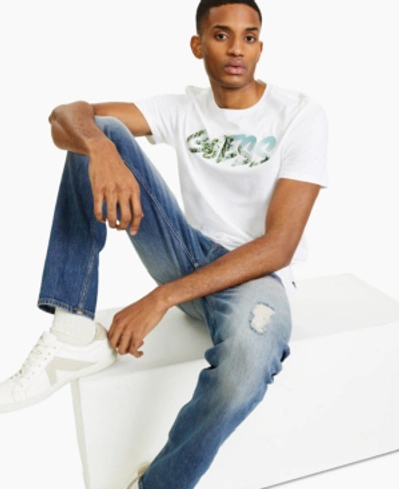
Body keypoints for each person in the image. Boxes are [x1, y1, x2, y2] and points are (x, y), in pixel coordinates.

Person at [0, 0, 328, 487]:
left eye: (249, 37)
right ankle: (72, 334)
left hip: (256, 277)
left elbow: (278, 246)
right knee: (96, 132)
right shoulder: (181, 109)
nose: (237, 49)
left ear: (260, 46)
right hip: (186, 252)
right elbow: (65, 116)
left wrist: (161, 298)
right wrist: (101, 150)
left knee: (247, 366)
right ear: (198, 45)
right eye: (222, 35)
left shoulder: (298, 115)